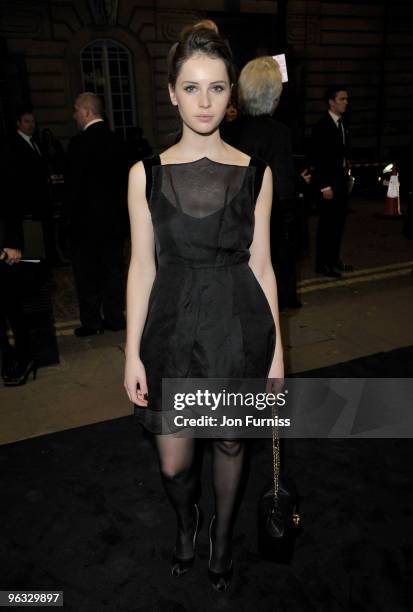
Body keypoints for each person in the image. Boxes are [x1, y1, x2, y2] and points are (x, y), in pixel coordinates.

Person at [124, 23, 284, 592]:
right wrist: (130, 354)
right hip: (168, 327)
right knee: (173, 462)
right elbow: (142, 267)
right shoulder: (144, 175)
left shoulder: (254, 174)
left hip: (235, 325)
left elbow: (263, 268)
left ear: (231, 96)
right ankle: (185, 517)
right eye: (191, 88)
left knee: (230, 441)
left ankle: (219, 537)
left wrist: (276, 363)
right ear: (170, 92)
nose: (204, 101)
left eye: (217, 88)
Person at [224, 57, 301, 310]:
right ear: (274, 96)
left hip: (234, 225)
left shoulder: (230, 130)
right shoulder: (278, 133)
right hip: (269, 227)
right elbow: (284, 187)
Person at [67, 92, 129, 336]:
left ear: (86, 111)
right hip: (114, 224)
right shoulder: (118, 141)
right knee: (113, 270)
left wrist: (68, 222)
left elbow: (73, 189)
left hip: (86, 225)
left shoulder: (78, 145)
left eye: (75, 110)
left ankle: (92, 322)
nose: (74, 116)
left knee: (88, 274)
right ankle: (115, 317)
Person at [311, 85, 354, 278]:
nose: (346, 102)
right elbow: (318, 158)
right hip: (329, 184)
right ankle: (323, 264)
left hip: (341, 181)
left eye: (346, 99)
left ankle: (334, 259)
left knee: (338, 224)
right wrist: (324, 186)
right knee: (327, 226)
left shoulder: (342, 124)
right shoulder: (322, 126)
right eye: (342, 99)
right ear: (331, 102)